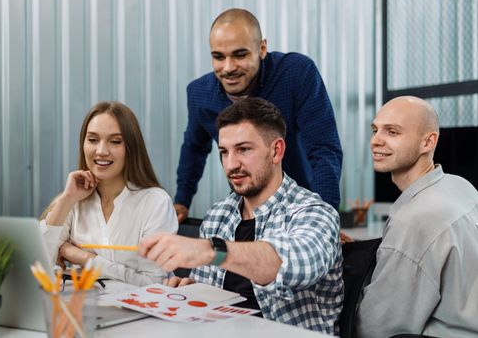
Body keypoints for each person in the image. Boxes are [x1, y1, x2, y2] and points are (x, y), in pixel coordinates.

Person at [140, 98, 343, 334]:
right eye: (224, 152)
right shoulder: (218, 215)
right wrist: (189, 291)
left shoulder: (314, 212)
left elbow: (291, 264)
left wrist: (210, 251)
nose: (231, 164)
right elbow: (212, 293)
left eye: (243, 149)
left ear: (276, 151)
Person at [174, 8, 342, 222]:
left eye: (240, 55)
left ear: (262, 48)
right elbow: (194, 149)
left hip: (302, 206)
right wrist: (182, 200)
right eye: (218, 57)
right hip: (247, 208)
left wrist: (323, 216)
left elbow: (324, 148)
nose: (228, 67)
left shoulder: (296, 73)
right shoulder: (199, 94)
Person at [356, 96, 478, 337]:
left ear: (428, 142)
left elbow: (376, 326)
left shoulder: (415, 219)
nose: (375, 141)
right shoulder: (460, 185)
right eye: (375, 129)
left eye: (392, 132)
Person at [39, 101, 178, 286]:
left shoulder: (155, 202)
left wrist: (80, 256)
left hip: (138, 312)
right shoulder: (73, 200)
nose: (101, 151)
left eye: (114, 141)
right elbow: (38, 265)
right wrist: (67, 199)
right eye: (92, 140)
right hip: (79, 309)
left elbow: (153, 283)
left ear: (131, 148)